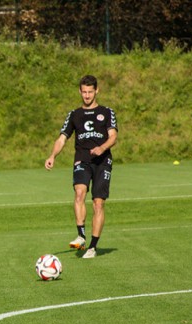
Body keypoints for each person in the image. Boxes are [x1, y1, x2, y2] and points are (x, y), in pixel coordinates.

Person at [45, 75, 118, 259]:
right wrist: (53, 155)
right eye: (84, 92)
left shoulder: (107, 112)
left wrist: (101, 148)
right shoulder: (74, 114)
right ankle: (81, 235)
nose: (87, 95)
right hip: (82, 160)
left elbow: (113, 136)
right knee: (79, 193)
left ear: (96, 91)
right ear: (80, 91)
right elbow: (62, 138)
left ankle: (93, 247)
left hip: (102, 162)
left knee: (98, 203)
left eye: (90, 92)